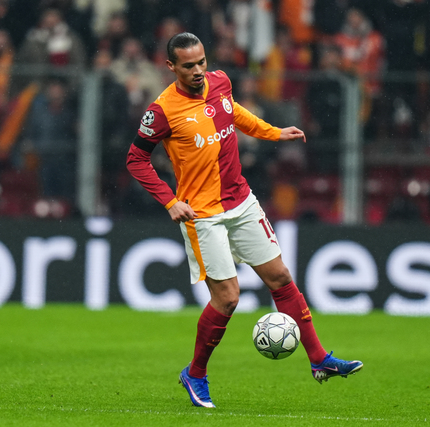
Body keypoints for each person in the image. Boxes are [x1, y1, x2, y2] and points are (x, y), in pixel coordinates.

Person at [126, 32, 363, 409]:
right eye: (188, 66)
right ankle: (195, 374)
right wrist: (169, 201)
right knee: (228, 298)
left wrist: (273, 133)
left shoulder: (220, 81)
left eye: (201, 61)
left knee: (280, 277)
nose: (198, 70)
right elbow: (136, 159)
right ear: (170, 67)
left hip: (241, 201)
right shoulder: (162, 111)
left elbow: (233, 113)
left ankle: (319, 360)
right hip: (203, 214)